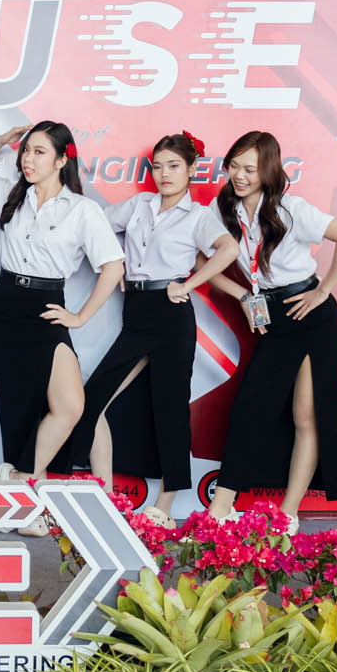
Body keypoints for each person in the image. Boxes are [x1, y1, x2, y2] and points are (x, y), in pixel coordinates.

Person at [182, 129, 337, 534]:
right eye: (234, 166)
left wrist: (323, 291)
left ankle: (287, 514)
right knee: (250, 409)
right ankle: (220, 510)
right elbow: (199, 260)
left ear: (268, 170)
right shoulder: (221, 209)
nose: (240, 175)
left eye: (250, 169)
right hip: (271, 316)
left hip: (310, 315)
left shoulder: (290, 209)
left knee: (306, 416)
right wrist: (243, 296)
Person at [0, 120, 125, 534]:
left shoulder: (81, 209)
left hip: (46, 304)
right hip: (6, 306)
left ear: (61, 159)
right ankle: (25, 501)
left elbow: (113, 266)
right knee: (19, 405)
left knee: (70, 406)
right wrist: (4, 139)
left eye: (39, 151)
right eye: (26, 151)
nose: (28, 159)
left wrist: (80, 316)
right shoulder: (10, 194)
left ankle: (20, 484)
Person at [70, 132, 234, 526]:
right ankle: (105, 492)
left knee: (170, 409)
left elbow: (228, 250)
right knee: (92, 399)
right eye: (158, 166)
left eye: (174, 166)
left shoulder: (198, 216)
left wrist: (189, 284)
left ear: (191, 169)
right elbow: (95, 224)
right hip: (136, 311)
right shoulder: (139, 206)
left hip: (171, 314)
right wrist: (116, 263)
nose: (164, 174)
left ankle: (165, 504)